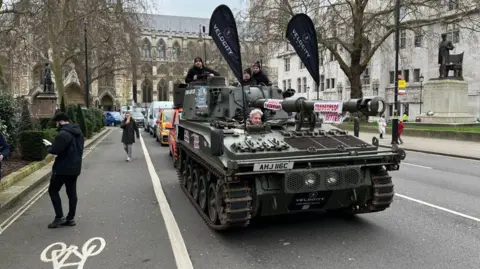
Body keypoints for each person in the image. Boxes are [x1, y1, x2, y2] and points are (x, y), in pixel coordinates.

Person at [42, 112, 84, 228]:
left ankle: (59, 217)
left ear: (60, 122)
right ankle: (71, 218)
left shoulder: (63, 134)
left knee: (53, 190)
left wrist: (48, 146)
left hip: (62, 169)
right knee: (71, 193)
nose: (56, 125)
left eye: (57, 123)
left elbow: (55, 150)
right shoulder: (78, 132)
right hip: (75, 167)